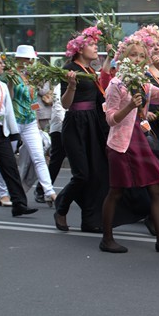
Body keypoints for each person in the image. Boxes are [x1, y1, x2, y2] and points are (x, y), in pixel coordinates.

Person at [98, 35, 159, 254]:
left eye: (141, 56)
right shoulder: (116, 84)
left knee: (157, 189)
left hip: (141, 140)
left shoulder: (144, 83)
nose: (137, 59)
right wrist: (129, 107)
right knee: (116, 191)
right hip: (121, 144)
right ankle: (106, 239)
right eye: (133, 55)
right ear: (123, 58)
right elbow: (110, 119)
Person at [54, 27, 109, 232]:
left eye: (96, 45)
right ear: (79, 49)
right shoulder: (69, 68)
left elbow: (99, 100)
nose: (96, 48)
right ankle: (62, 207)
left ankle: (89, 220)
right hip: (75, 124)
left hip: (92, 123)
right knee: (82, 175)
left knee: (96, 174)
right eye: (92, 45)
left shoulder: (91, 71)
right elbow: (66, 104)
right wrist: (71, 86)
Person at [0, 45, 57, 208]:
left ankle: (49, 191)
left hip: (29, 121)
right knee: (5, 159)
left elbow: (33, 101)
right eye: (26, 59)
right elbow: (7, 98)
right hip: (13, 122)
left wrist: (36, 118)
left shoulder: (33, 77)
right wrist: (10, 80)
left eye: (31, 59)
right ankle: (2, 194)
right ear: (18, 59)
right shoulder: (9, 76)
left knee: (39, 157)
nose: (29, 62)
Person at [0, 50, 38, 218]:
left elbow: (8, 110)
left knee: (10, 168)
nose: (3, 65)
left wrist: (14, 132)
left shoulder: (1, 85)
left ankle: (19, 204)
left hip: (2, 133)